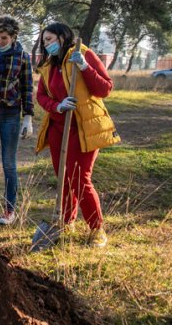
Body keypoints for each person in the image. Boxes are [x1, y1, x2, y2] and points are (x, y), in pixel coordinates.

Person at [35, 22, 120, 248]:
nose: (46, 45)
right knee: (63, 177)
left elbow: (105, 89)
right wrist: (58, 106)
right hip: (57, 128)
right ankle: (66, 221)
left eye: (50, 39)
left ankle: (97, 229)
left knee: (80, 179)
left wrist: (84, 68)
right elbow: (41, 96)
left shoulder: (83, 54)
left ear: (63, 37)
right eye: (44, 41)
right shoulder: (48, 64)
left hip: (83, 127)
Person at [0, 15, 34, 225]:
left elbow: (27, 87)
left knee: (9, 164)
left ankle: (9, 210)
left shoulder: (22, 56)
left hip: (11, 113)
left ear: (13, 37)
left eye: (3, 38)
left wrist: (28, 117)